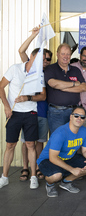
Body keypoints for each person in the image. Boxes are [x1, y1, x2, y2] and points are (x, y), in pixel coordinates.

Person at [0, 47, 47, 189]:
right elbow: (1, 87)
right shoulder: (15, 68)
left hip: (30, 113)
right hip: (14, 112)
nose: (41, 62)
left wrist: (27, 97)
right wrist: (6, 106)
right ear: (31, 57)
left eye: (43, 60)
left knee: (31, 144)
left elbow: (43, 96)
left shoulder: (39, 74)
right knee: (10, 145)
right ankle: (4, 177)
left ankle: (33, 176)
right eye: (38, 58)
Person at [37, 106, 86, 197]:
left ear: (84, 119)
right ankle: (50, 185)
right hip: (48, 159)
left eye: (82, 117)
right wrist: (72, 169)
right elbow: (53, 158)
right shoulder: (60, 133)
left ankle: (66, 182)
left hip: (68, 158)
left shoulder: (84, 131)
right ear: (71, 117)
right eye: (76, 115)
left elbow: (85, 152)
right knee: (56, 175)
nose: (79, 118)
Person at [17, 26, 52, 181]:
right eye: (42, 58)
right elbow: (21, 51)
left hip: (43, 111)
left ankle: (37, 166)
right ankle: (25, 167)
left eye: (48, 59)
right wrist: (33, 35)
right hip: (26, 110)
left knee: (39, 142)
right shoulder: (30, 67)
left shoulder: (50, 71)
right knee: (26, 142)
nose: (45, 61)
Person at [44, 43, 86, 134]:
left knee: (71, 139)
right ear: (57, 54)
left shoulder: (75, 70)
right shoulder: (50, 69)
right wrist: (74, 84)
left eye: (68, 54)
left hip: (74, 112)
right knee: (57, 139)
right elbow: (53, 84)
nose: (66, 56)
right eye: (63, 53)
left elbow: (83, 87)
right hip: (56, 112)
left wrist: (63, 88)